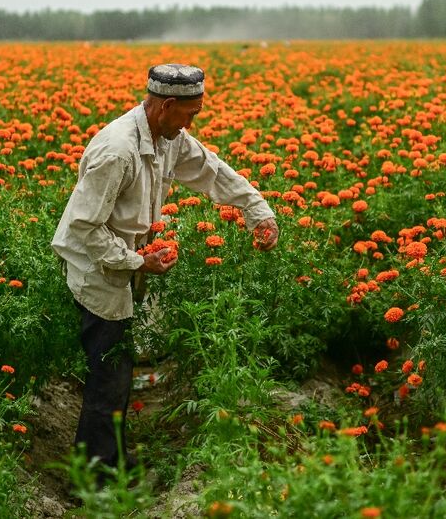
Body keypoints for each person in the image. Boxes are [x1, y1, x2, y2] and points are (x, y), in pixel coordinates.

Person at [51, 63, 279, 478]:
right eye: (191, 114)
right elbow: (84, 228)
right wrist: (140, 261)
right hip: (99, 272)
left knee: (119, 372)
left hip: (129, 266)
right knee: (107, 378)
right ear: (167, 105)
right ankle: (96, 478)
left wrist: (256, 211)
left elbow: (212, 171)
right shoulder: (116, 151)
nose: (193, 122)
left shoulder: (168, 138)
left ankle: (111, 460)